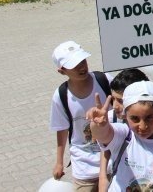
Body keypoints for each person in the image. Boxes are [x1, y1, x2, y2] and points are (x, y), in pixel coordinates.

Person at [85, 81, 153, 191]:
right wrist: (98, 125)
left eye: (149, 118)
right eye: (135, 119)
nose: (142, 126)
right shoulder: (124, 136)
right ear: (126, 115)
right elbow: (103, 134)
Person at [48, 41, 112, 190]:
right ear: (62, 71)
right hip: (83, 166)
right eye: (74, 65)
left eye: (82, 60)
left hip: (112, 159)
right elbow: (62, 129)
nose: (81, 67)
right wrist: (59, 162)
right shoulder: (61, 96)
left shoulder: (104, 80)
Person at [98, 68, 149, 190]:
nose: (115, 106)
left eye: (120, 100)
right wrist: (103, 177)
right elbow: (105, 148)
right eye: (113, 99)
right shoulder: (110, 118)